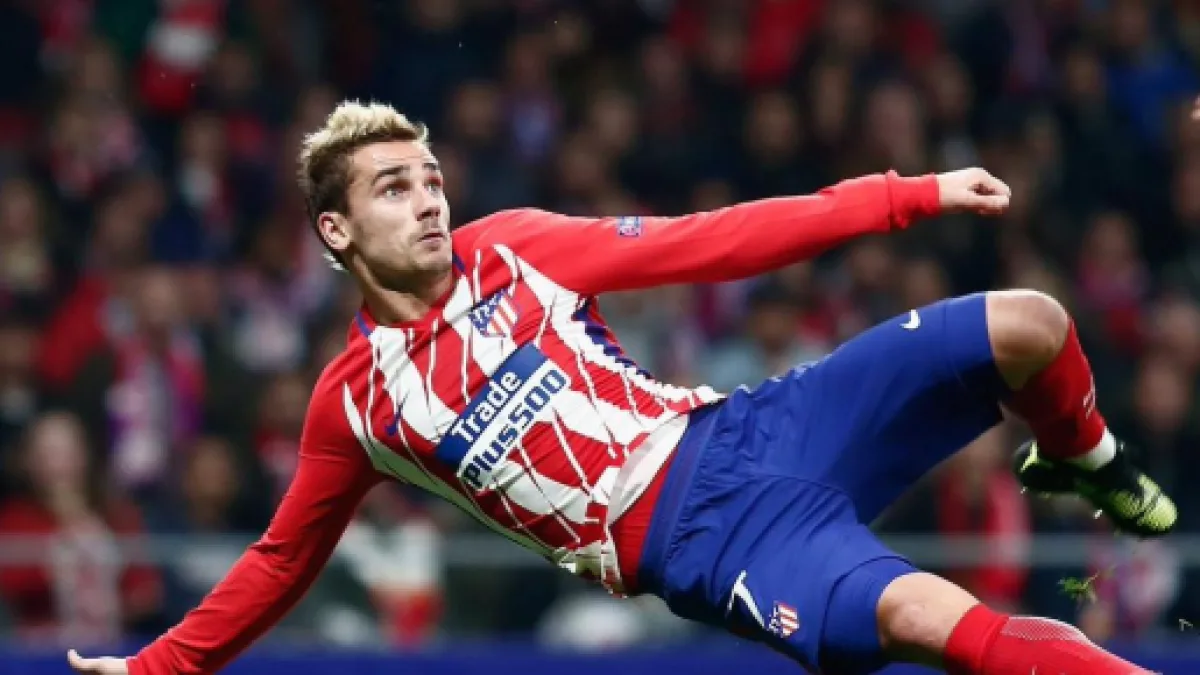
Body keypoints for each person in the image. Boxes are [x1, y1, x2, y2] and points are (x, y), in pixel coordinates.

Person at [68, 102, 1174, 675]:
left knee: (1030, 324)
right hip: (709, 542)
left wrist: (904, 193)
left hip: (754, 428)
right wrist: (160, 667)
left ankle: (1084, 459)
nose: (429, 200)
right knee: (934, 619)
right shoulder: (357, 406)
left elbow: (712, 241)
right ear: (336, 230)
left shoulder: (516, 247)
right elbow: (280, 559)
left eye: (432, 179)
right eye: (394, 188)